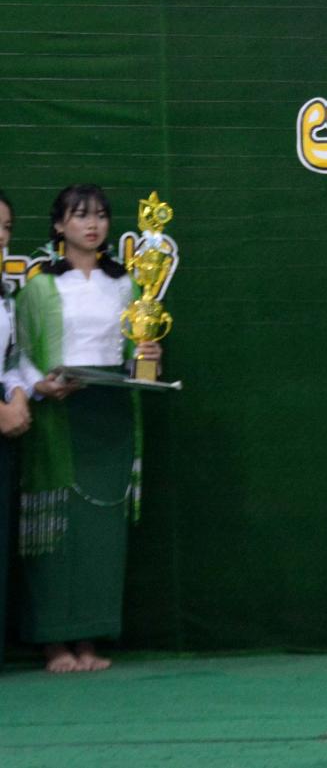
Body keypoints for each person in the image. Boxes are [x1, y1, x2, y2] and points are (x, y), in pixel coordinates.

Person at [13, 184, 162, 674]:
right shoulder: (39, 288)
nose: (92, 224)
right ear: (59, 226)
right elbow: (20, 357)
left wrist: (149, 357)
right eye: (80, 216)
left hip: (110, 412)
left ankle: (90, 638)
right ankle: (54, 643)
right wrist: (41, 386)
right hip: (58, 414)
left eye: (100, 215)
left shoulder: (126, 286)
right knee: (56, 531)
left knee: (101, 532)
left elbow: (133, 353)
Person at [0, 190, 36, 668]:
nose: (1, 236)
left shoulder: (6, 295)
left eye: (6, 227)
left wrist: (19, 396)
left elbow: (11, 361)